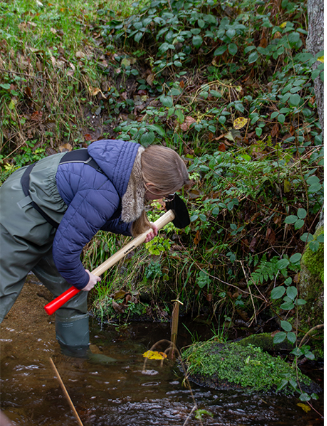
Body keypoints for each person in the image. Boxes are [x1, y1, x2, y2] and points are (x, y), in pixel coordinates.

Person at [0, 139, 189, 358]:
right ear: (151, 187)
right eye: (166, 195)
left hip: (52, 219)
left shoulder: (126, 167)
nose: (164, 201)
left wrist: (134, 229)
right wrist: (83, 278)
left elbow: (94, 214)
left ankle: (76, 357)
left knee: (73, 293)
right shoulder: (104, 191)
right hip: (19, 213)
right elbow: (66, 251)